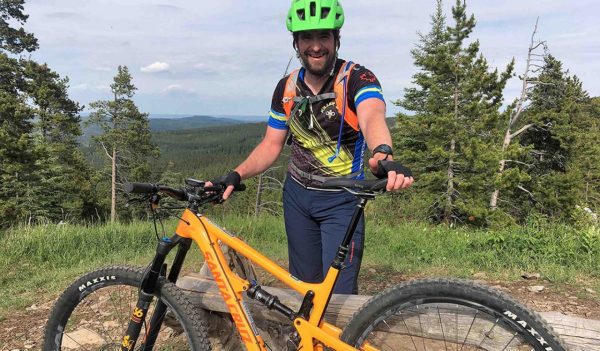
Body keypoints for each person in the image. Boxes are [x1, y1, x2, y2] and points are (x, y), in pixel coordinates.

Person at [212, 0, 413, 294]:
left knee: (338, 295)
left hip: (342, 199)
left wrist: (382, 152)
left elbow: (372, 116)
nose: (316, 46)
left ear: (336, 40)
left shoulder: (357, 78)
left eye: (324, 37)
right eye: (307, 37)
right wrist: (236, 174)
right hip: (297, 198)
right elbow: (271, 143)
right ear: (296, 43)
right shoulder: (287, 88)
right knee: (304, 289)